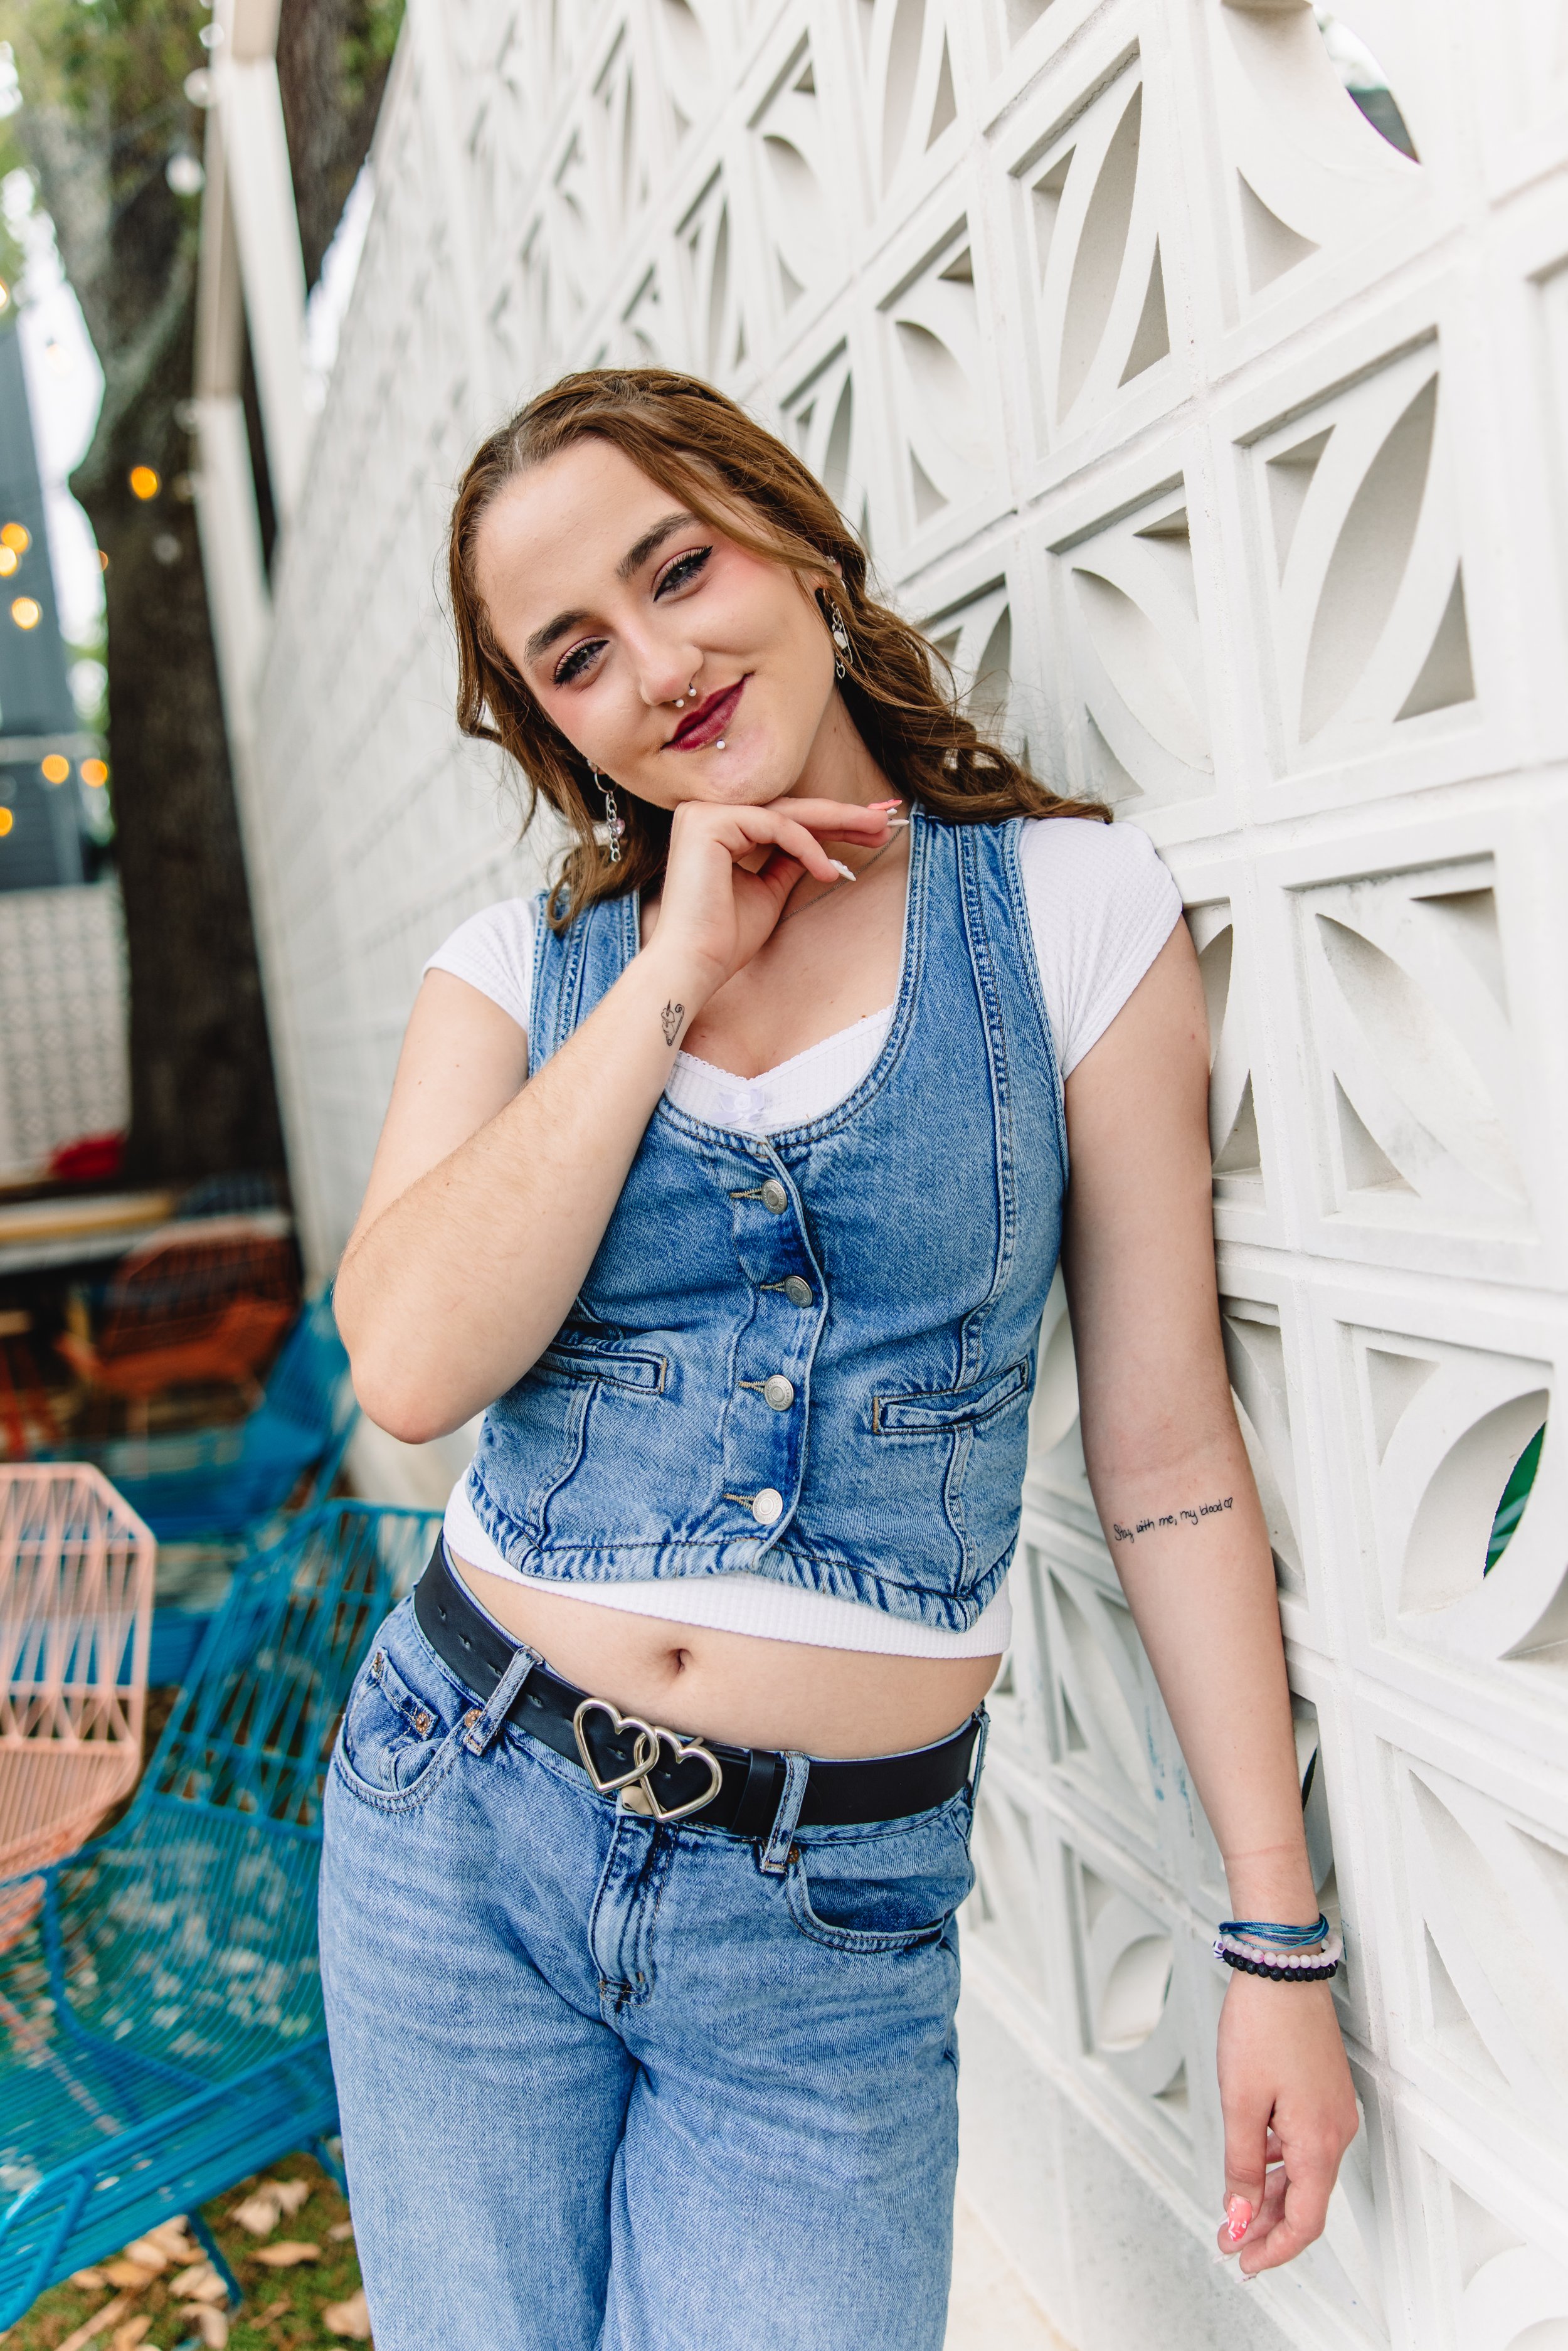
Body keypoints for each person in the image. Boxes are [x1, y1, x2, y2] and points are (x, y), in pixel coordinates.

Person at [322, 366, 1357, 2351]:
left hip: (827, 1917)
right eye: (574, 655)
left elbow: (1164, 1456)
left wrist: (1273, 1929)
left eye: (677, 569)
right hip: (459, 1817)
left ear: (794, 540)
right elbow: (413, 1364)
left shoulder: (1067, 914)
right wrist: (672, 969)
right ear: (547, 722)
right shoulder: (516, 976)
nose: (658, 665)